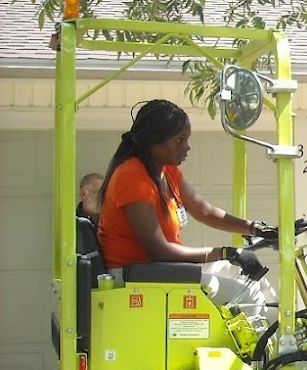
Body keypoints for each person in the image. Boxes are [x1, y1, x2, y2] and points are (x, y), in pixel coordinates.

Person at [96, 99, 273, 323]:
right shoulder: (133, 177)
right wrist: (227, 252)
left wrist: (256, 228)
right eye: (179, 140)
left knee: (254, 280)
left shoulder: (166, 172)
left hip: (161, 269)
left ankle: (276, 347)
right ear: (154, 142)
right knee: (249, 295)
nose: (186, 147)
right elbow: (159, 250)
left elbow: (204, 211)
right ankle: (255, 357)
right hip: (137, 276)